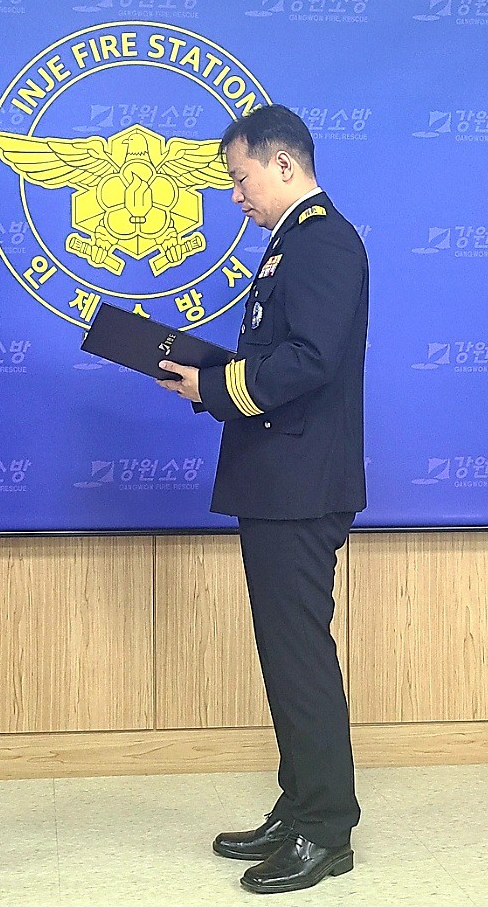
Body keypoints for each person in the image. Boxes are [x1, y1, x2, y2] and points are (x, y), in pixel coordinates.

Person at [158, 104, 368, 895]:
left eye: (241, 178)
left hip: (301, 485)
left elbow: (310, 360)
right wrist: (208, 378)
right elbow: (280, 356)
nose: (235, 196)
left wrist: (214, 388)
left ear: (284, 165)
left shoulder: (323, 241)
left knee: (299, 658)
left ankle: (327, 829)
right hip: (278, 479)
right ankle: (299, 803)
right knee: (285, 655)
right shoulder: (291, 243)